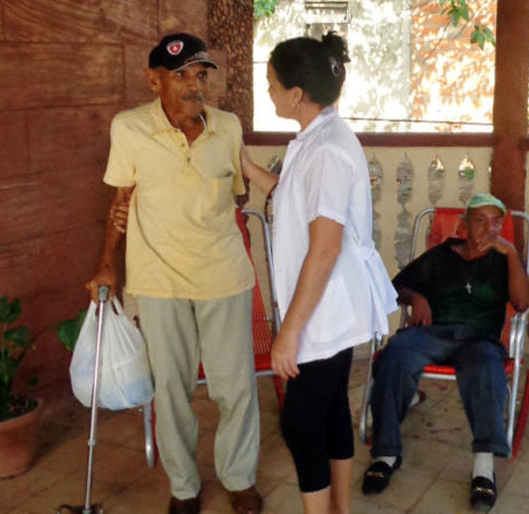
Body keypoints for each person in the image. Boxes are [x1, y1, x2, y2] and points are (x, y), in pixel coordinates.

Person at [86, 33, 262, 514]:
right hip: (158, 280)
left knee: (236, 387)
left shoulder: (227, 126)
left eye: (200, 75)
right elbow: (120, 201)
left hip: (224, 275)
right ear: (154, 79)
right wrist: (106, 264)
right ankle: (184, 487)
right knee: (172, 390)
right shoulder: (129, 128)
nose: (193, 85)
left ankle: (238, 477)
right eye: (181, 75)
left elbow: (238, 195)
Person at [239, 33, 397, 514]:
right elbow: (293, 197)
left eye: (270, 83)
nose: (266, 91)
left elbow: (324, 249)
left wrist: (288, 332)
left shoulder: (326, 148)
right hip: (326, 309)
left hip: (322, 313)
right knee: (328, 412)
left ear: (295, 94)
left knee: (300, 423)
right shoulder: (317, 138)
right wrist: (248, 169)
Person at [362, 193, 529, 511]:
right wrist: (417, 297)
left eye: (496, 222)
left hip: (479, 340)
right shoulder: (440, 256)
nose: (489, 228)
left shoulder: (503, 260)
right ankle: (386, 453)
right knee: (394, 353)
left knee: (487, 369)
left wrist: (511, 253)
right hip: (431, 334)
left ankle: (483, 468)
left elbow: (523, 304)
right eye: (480, 220)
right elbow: (395, 288)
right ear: (465, 224)